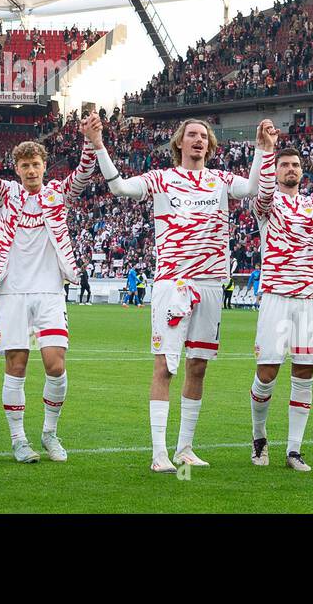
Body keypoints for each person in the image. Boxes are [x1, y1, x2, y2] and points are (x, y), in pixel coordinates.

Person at [86, 115, 257, 473]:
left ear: (210, 146)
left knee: (198, 366)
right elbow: (119, 188)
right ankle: (159, 452)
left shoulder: (222, 180)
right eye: (191, 135)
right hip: (174, 283)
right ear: (179, 142)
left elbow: (253, 188)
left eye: (203, 136)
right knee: (165, 365)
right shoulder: (161, 179)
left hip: (211, 283)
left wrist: (265, 150)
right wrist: (100, 145)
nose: (197, 140)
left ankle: (185, 448)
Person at [0, 125, 97, 463]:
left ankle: (49, 432)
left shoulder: (57, 194)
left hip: (49, 290)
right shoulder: (7, 195)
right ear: (16, 169)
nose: (31, 171)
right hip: (13, 291)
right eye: (24, 166)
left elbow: (84, 174)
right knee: (16, 365)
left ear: (44, 166)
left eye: (36, 165)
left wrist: (91, 141)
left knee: (55, 364)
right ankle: (19, 439)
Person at [249, 120, 313, 472]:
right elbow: (261, 192)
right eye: (284, 165)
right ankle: (259, 436)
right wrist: (266, 150)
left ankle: (294, 449)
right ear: (276, 171)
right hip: (277, 296)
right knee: (267, 373)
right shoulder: (267, 204)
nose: (290, 169)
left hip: (311, 300)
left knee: (305, 373)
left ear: (302, 172)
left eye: (295, 165)